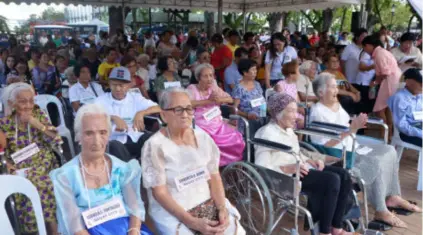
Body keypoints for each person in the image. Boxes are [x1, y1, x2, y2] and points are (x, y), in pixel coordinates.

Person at [310, 73, 422, 228]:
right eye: (332, 87)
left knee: (389, 150)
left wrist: (356, 126)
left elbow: (347, 130)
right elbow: (325, 146)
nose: (336, 90)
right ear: (321, 92)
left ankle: (393, 196)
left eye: (336, 86)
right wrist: (351, 129)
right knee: (375, 161)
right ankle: (381, 209)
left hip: (351, 144)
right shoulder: (318, 112)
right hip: (337, 154)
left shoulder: (336, 106)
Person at [141, 87, 245, 234]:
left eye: (189, 109)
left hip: (207, 201)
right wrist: (191, 221)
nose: (185, 115)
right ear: (164, 115)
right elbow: (160, 193)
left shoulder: (203, 138)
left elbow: (214, 177)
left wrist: (221, 207)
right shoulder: (154, 146)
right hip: (173, 210)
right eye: (178, 109)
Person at [255, 92, 354, 235]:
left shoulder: (289, 130)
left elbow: (296, 153)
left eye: (296, 111)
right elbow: (261, 167)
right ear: (278, 113)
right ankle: (324, 232)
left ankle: (337, 227)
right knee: (332, 180)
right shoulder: (266, 134)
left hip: (301, 168)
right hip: (284, 177)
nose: (296, 116)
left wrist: (309, 160)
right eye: (291, 111)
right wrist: (286, 168)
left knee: (344, 175)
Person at [49, 103, 152, 235]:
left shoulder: (122, 169)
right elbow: (74, 225)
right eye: (89, 133)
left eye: (102, 132)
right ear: (78, 136)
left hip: (127, 229)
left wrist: (134, 230)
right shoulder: (65, 176)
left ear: (109, 135)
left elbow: (134, 207)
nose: (97, 141)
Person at [0, 82, 62, 234]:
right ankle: (42, 228)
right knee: (26, 182)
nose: (28, 105)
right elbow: (1, 150)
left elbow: (57, 139)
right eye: (22, 101)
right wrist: (7, 164)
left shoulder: (39, 114)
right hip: (18, 164)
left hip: (42, 158)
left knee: (39, 180)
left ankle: (50, 229)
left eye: (31, 100)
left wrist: (37, 124)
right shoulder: (5, 123)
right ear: (12, 104)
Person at [95, 66, 160, 159]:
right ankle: (131, 170)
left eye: (121, 85)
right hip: (114, 140)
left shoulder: (135, 98)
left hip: (135, 137)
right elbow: (86, 116)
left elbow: (158, 108)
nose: (117, 89)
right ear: (109, 84)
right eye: (114, 84)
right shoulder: (101, 100)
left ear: (129, 85)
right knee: (115, 147)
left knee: (154, 139)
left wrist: (141, 113)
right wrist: (112, 117)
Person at [187, 63, 245, 166]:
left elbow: (230, 99)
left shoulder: (213, 86)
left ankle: (230, 166)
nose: (209, 79)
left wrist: (219, 99)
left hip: (217, 123)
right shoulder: (192, 89)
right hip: (202, 125)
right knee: (213, 142)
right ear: (198, 78)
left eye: (211, 75)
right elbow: (188, 103)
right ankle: (215, 167)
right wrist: (208, 101)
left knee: (236, 137)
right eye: (205, 76)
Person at [362, 35, 402, 139]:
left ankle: (385, 134)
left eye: (365, 47)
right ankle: (389, 135)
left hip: (389, 81)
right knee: (388, 108)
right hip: (393, 80)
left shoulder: (379, 54)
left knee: (379, 110)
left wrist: (375, 82)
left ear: (370, 45)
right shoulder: (382, 52)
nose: (365, 50)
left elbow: (385, 73)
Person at [388, 68, 422, 147]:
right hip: (407, 134)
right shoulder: (399, 98)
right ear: (408, 82)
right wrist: (420, 133)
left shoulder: (420, 95)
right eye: (421, 83)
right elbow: (402, 125)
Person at [232, 59, 266, 131]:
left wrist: (264, 116)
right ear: (245, 72)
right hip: (246, 122)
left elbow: (262, 102)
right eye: (253, 70)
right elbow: (234, 109)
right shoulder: (239, 88)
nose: (256, 72)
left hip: (261, 120)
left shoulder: (257, 84)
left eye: (256, 69)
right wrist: (247, 115)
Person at [274, 60, 305, 128]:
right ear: (291, 74)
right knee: (303, 123)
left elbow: (298, 102)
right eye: (298, 72)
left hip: (295, 111)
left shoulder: (293, 85)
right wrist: (297, 109)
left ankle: (298, 137)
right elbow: (281, 103)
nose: (299, 74)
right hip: (286, 112)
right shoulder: (280, 85)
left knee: (307, 120)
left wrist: (303, 107)